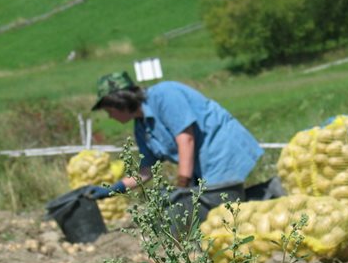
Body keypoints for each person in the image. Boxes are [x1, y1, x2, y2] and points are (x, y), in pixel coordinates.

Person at [85, 71, 264, 201]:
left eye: (109, 111)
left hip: (222, 149)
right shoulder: (142, 128)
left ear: (120, 102)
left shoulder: (164, 95)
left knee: (221, 207)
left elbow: (186, 139)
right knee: (219, 208)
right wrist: (113, 190)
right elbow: (146, 172)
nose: (110, 116)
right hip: (202, 166)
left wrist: (181, 187)